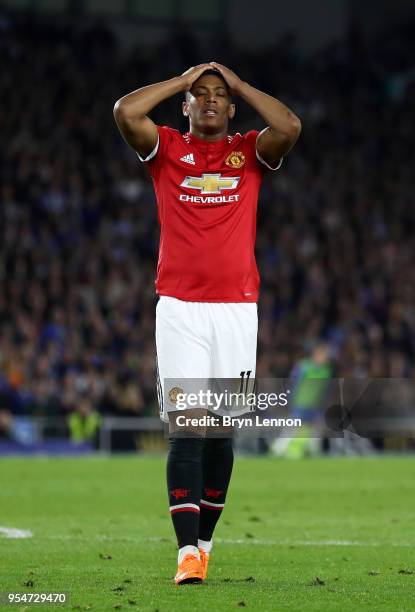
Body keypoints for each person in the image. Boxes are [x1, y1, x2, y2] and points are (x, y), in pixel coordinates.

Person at [113, 62, 301, 585]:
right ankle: (185, 556)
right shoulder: (168, 148)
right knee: (187, 431)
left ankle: (205, 543)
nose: (212, 100)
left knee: (220, 436)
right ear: (187, 106)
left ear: (233, 106)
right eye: (202, 95)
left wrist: (239, 83)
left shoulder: (248, 152)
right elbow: (126, 112)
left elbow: (289, 128)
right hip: (179, 309)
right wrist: (183, 79)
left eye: (220, 95)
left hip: (237, 311)